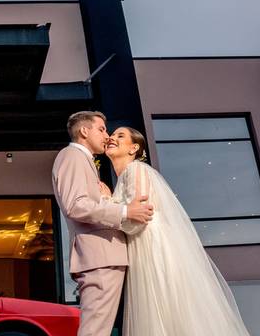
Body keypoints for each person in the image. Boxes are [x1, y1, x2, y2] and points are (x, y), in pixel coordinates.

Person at [104, 126, 252, 336]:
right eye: (111, 135)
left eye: (120, 136)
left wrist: (106, 204)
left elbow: (139, 218)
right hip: (141, 245)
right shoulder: (125, 176)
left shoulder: (135, 169)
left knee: (163, 306)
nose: (112, 138)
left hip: (151, 246)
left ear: (134, 148)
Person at [52, 111, 154, 336]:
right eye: (101, 129)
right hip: (100, 257)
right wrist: (126, 211)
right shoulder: (72, 156)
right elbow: (76, 205)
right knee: (95, 331)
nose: (107, 136)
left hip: (105, 256)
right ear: (84, 131)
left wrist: (107, 199)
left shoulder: (83, 160)